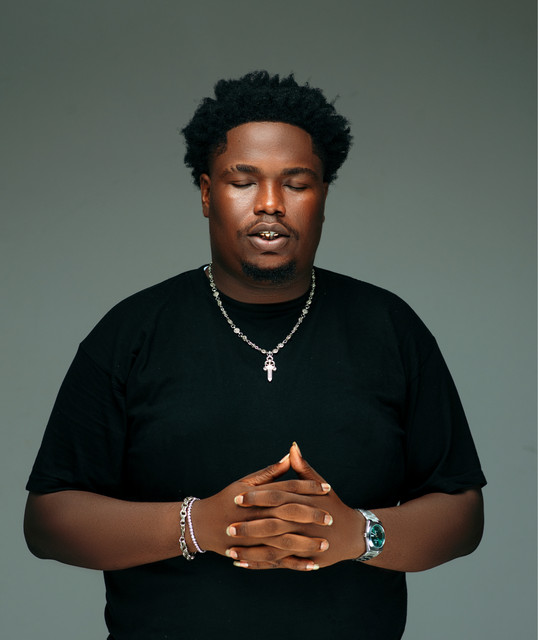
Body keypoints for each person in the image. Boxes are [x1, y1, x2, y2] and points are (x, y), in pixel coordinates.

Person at [24, 71, 486, 640]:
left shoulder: (390, 328)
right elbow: (47, 522)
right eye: (242, 181)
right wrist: (200, 525)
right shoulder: (131, 332)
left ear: (323, 196)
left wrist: (354, 534)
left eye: (297, 183)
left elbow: (462, 512)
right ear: (205, 194)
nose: (270, 204)